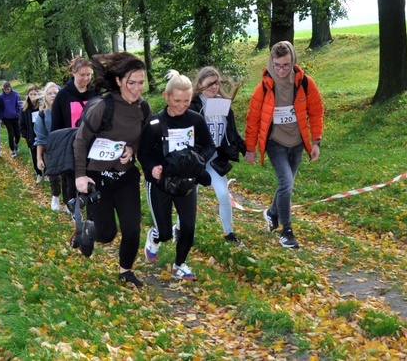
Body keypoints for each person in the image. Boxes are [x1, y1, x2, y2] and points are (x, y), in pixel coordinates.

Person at [73, 52, 151, 288]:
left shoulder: (143, 109)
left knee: (132, 229)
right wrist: (80, 175)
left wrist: (132, 149)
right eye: (131, 82)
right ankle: (88, 229)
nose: (137, 88)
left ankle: (125, 271)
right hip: (98, 177)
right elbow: (80, 140)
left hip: (125, 176)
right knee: (107, 233)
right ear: (118, 80)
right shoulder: (103, 107)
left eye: (141, 82)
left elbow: (144, 139)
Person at [244, 41, 324, 249]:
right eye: (277, 65)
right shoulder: (263, 87)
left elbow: (316, 112)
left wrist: (316, 141)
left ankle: (271, 213)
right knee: (287, 184)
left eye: (286, 65)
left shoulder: (305, 83)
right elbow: (252, 119)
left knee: (285, 187)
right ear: (271, 62)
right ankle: (286, 231)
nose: (281, 70)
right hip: (275, 143)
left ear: (293, 61)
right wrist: (250, 148)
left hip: (297, 143)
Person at [138, 70, 215, 281]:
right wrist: (152, 168)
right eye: (177, 100)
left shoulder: (196, 120)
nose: (182, 105)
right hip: (160, 183)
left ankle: (179, 265)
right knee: (165, 234)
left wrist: (198, 159)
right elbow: (143, 153)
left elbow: (209, 145)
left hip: (186, 181)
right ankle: (156, 235)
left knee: (188, 227)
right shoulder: (154, 124)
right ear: (166, 96)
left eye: (187, 100)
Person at [189, 67, 247, 246]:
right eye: (209, 84)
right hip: (196, 159)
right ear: (200, 84)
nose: (213, 87)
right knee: (190, 197)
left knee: (223, 194)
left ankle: (229, 233)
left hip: (215, 159)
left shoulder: (224, 105)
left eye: (216, 83)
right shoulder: (192, 105)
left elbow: (232, 133)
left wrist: (247, 150)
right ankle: (179, 229)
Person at [50, 57, 97, 217]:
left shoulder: (95, 93)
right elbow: (55, 128)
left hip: (93, 146)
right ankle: (76, 213)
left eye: (89, 75)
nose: (86, 78)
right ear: (73, 72)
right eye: (82, 74)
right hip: (71, 147)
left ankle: (92, 214)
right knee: (72, 182)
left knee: (92, 179)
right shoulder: (62, 96)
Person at [34, 82, 63, 211]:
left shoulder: (65, 112)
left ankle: (69, 201)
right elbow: (40, 138)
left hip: (66, 147)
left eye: (55, 93)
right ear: (45, 96)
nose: (52, 96)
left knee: (68, 176)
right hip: (49, 149)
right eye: (49, 93)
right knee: (54, 175)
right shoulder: (42, 115)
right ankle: (55, 197)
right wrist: (39, 158)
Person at [20, 85, 43, 182]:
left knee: (45, 154)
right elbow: (21, 124)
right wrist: (26, 135)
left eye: (35, 94)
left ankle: (48, 173)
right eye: (31, 94)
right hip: (31, 136)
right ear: (28, 95)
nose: (33, 96)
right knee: (34, 156)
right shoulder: (25, 109)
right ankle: (39, 173)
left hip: (42, 135)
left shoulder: (42, 107)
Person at [0, 81, 23, 158]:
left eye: (8, 89)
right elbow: (0, 108)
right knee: (11, 134)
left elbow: (19, 105)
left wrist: (17, 113)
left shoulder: (15, 94)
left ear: (10, 88)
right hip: (7, 118)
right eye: (5, 89)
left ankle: (16, 144)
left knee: (18, 134)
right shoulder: (1, 96)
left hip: (15, 117)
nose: (6, 91)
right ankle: (13, 150)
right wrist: (1, 119)